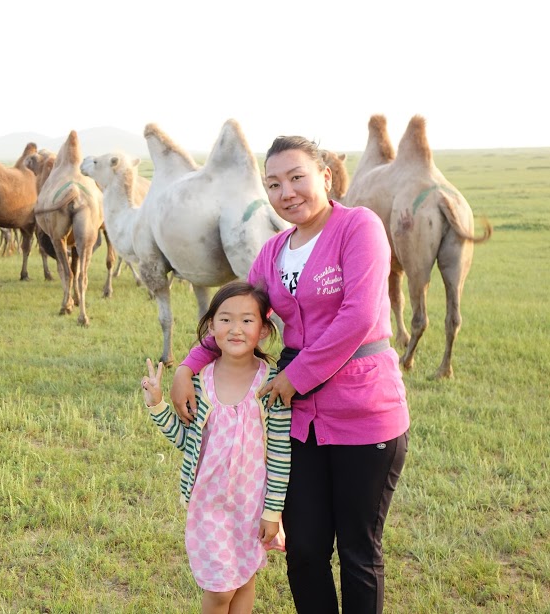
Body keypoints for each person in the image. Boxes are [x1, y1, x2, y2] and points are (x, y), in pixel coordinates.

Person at [169, 136, 410, 614]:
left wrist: (295, 376)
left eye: (297, 177)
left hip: (366, 413)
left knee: (359, 554)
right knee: (303, 551)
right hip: (299, 422)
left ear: (326, 176)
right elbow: (239, 315)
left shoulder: (358, 227)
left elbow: (359, 316)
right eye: (273, 183)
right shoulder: (274, 251)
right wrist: (189, 364)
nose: (286, 192)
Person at [142, 281, 292, 614]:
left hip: (251, 507)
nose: (235, 329)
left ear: (264, 330)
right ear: (211, 327)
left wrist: (272, 511)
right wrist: (157, 406)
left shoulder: (273, 383)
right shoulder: (201, 381)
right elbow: (187, 441)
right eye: (225, 319)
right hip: (209, 506)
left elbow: (281, 456)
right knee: (219, 590)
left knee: (244, 579)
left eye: (247, 321)